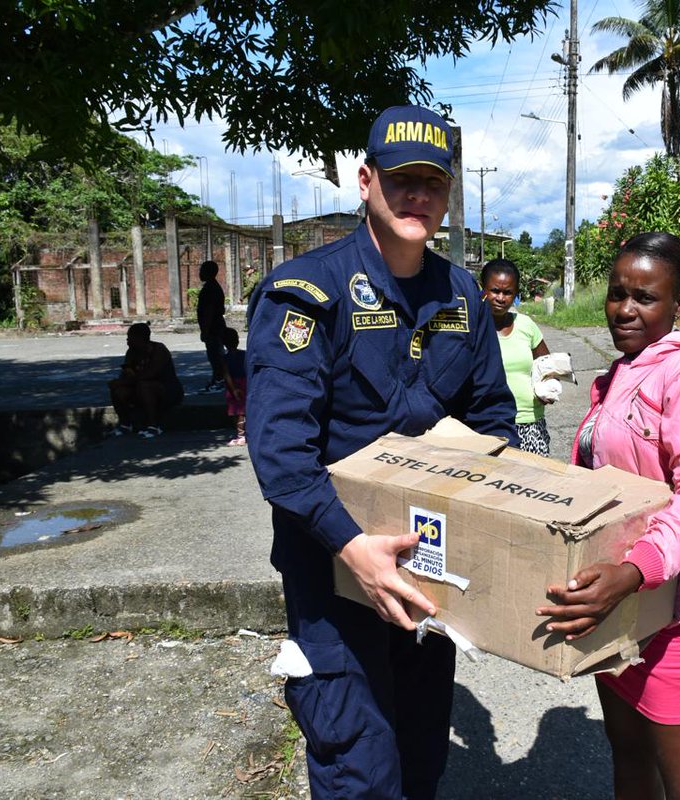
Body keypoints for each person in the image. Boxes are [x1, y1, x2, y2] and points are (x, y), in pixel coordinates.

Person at [244, 104, 518, 800]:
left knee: (421, 755)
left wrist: (500, 509)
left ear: (449, 193)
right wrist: (350, 545)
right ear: (366, 181)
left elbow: (491, 417)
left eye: (432, 181)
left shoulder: (461, 294)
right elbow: (281, 453)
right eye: (401, 180)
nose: (417, 196)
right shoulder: (309, 294)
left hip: (429, 566)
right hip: (334, 572)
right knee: (359, 767)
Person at [537, 232, 680, 800]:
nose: (624, 310)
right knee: (630, 760)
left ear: (679, 304)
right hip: (619, 610)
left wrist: (635, 570)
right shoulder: (623, 374)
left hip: (679, 620)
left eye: (645, 297)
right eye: (616, 293)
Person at [480, 258, 552, 456]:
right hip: (489, 426)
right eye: (495, 290)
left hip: (530, 423)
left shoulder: (526, 325)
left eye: (508, 292)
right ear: (482, 289)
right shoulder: (473, 328)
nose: (501, 298)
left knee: (534, 483)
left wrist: (547, 388)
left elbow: (546, 365)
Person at [108, 322, 184, 439]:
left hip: (167, 390)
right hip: (139, 390)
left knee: (145, 385)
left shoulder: (159, 350)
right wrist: (121, 381)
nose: (127, 340)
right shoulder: (131, 352)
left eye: (130, 337)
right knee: (118, 389)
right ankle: (125, 424)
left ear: (140, 338)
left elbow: (149, 374)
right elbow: (127, 373)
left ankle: (153, 425)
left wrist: (126, 382)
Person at [196, 259, 227, 394]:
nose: (200, 273)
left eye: (202, 270)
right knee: (215, 354)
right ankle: (218, 379)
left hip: (214, 327)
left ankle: (220, 380)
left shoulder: (210, 289)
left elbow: (209, 311)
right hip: (216, 326)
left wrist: (205, 330)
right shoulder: (212, 286)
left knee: (215, 355)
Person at [220, 327, 247, 446]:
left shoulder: (224, 359)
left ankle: (241, 435)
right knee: (243, 410)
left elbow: (226, 375)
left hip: (234, 385)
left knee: (238, 411)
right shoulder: (244, 355)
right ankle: (244, 434)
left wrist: (234, 389)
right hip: (246, 383)